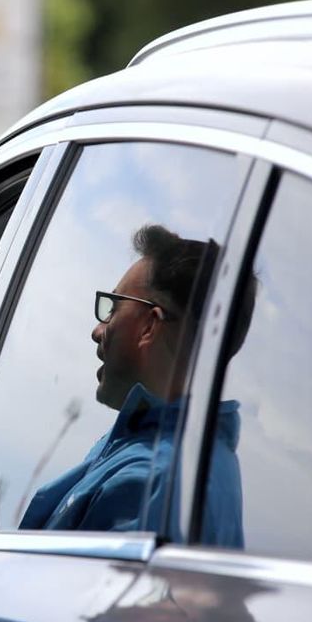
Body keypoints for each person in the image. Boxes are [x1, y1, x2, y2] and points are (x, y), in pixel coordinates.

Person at [18, 224, 252, 545]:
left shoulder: (150, 479)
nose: (98, 331)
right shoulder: (171, 454)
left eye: (113, 308)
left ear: (149, 326)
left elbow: (40, 590)